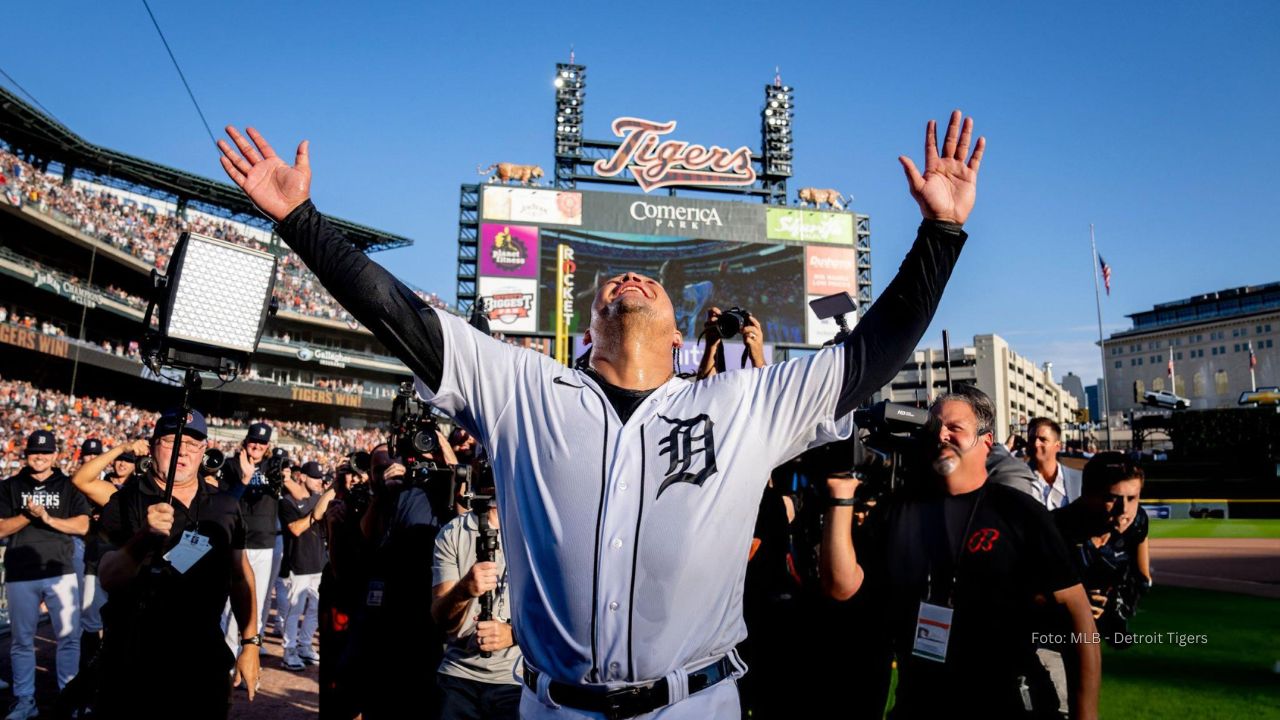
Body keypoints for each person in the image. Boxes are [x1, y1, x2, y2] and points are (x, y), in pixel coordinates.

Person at [218, 110, 984, 718]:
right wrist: (300, 221)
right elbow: (400, 317)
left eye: (646, 280)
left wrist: (941, 236)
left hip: (695, 704)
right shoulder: (522, 387)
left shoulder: (743, 401)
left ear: (682, 332)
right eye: (611, 282)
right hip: (553, 708)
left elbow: (871, 353)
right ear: (588, 330)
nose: (628, 278)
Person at [821, 387, 1100, 719]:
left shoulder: (1017, 511)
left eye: (955, 427)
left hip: (1003, 703)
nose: (941, 434)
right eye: (934, 426)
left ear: (986, 441)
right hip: (918, 705)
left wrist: (1086, 713)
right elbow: (842, 587)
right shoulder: (896, 509)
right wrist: (840, 494)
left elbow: (1078, 614)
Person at [95, 408, 260, 718]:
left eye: (193, 444)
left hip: (203, 660)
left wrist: (250, 643)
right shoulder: (126, 500)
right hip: (134, 660)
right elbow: (108, 577)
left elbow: (240, 575)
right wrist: (143, 537)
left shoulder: (225, 504)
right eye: (172, 441)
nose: (182, 452)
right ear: (153, 445)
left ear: (204, 451)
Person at [0, 430, 91, 720]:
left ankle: (68, 697)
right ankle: (26, 700)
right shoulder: (10, 486)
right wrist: (28, 516)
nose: (40, 457)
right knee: (22, 640)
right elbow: (0, 528)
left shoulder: (67, 485)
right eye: (34, 453)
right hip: (20, 571)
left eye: (45, 452)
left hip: (60, 570)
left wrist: (48, 518)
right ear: (25, 455)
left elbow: (82, 526)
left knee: (69, 638)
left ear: (55, 455)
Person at [432, 485, 522, 719]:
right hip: (459, 676)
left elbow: (565, 616)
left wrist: (513, 634)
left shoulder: (538, 528)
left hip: (518, 679)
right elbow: (443, 620)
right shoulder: (454, 532)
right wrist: (464, 590)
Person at [220, 421, 280, 657]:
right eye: (254, 440)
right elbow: (225, 502)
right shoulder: (231, 466)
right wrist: (244, 477)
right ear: (246, 441)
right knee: (230, 603)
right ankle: (228, 654)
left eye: (262, 443)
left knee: (255, 601)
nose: (257, 446)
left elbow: (277, 490)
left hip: (264, 542)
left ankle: (247, 654)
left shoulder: (272, 466)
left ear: (268, 446)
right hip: (238, 542)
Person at [279, 460, 336, 670]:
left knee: (316, 609)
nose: (320, 481)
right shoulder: (287, 502)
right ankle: (289, 650)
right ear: (302, 477)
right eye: (315, 477)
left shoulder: (317, 498)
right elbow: (294, 528)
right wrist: (316, 513)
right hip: (299, 562)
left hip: (319, 562)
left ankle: (304, 644)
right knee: (295, 609)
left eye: (321, 477)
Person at [1028, 418, 1082, 510]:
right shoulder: (1020, 478)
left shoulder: (1079, 479)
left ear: (1058, 446)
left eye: (1042, 439)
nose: (1036, 444)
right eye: (1032, 439)